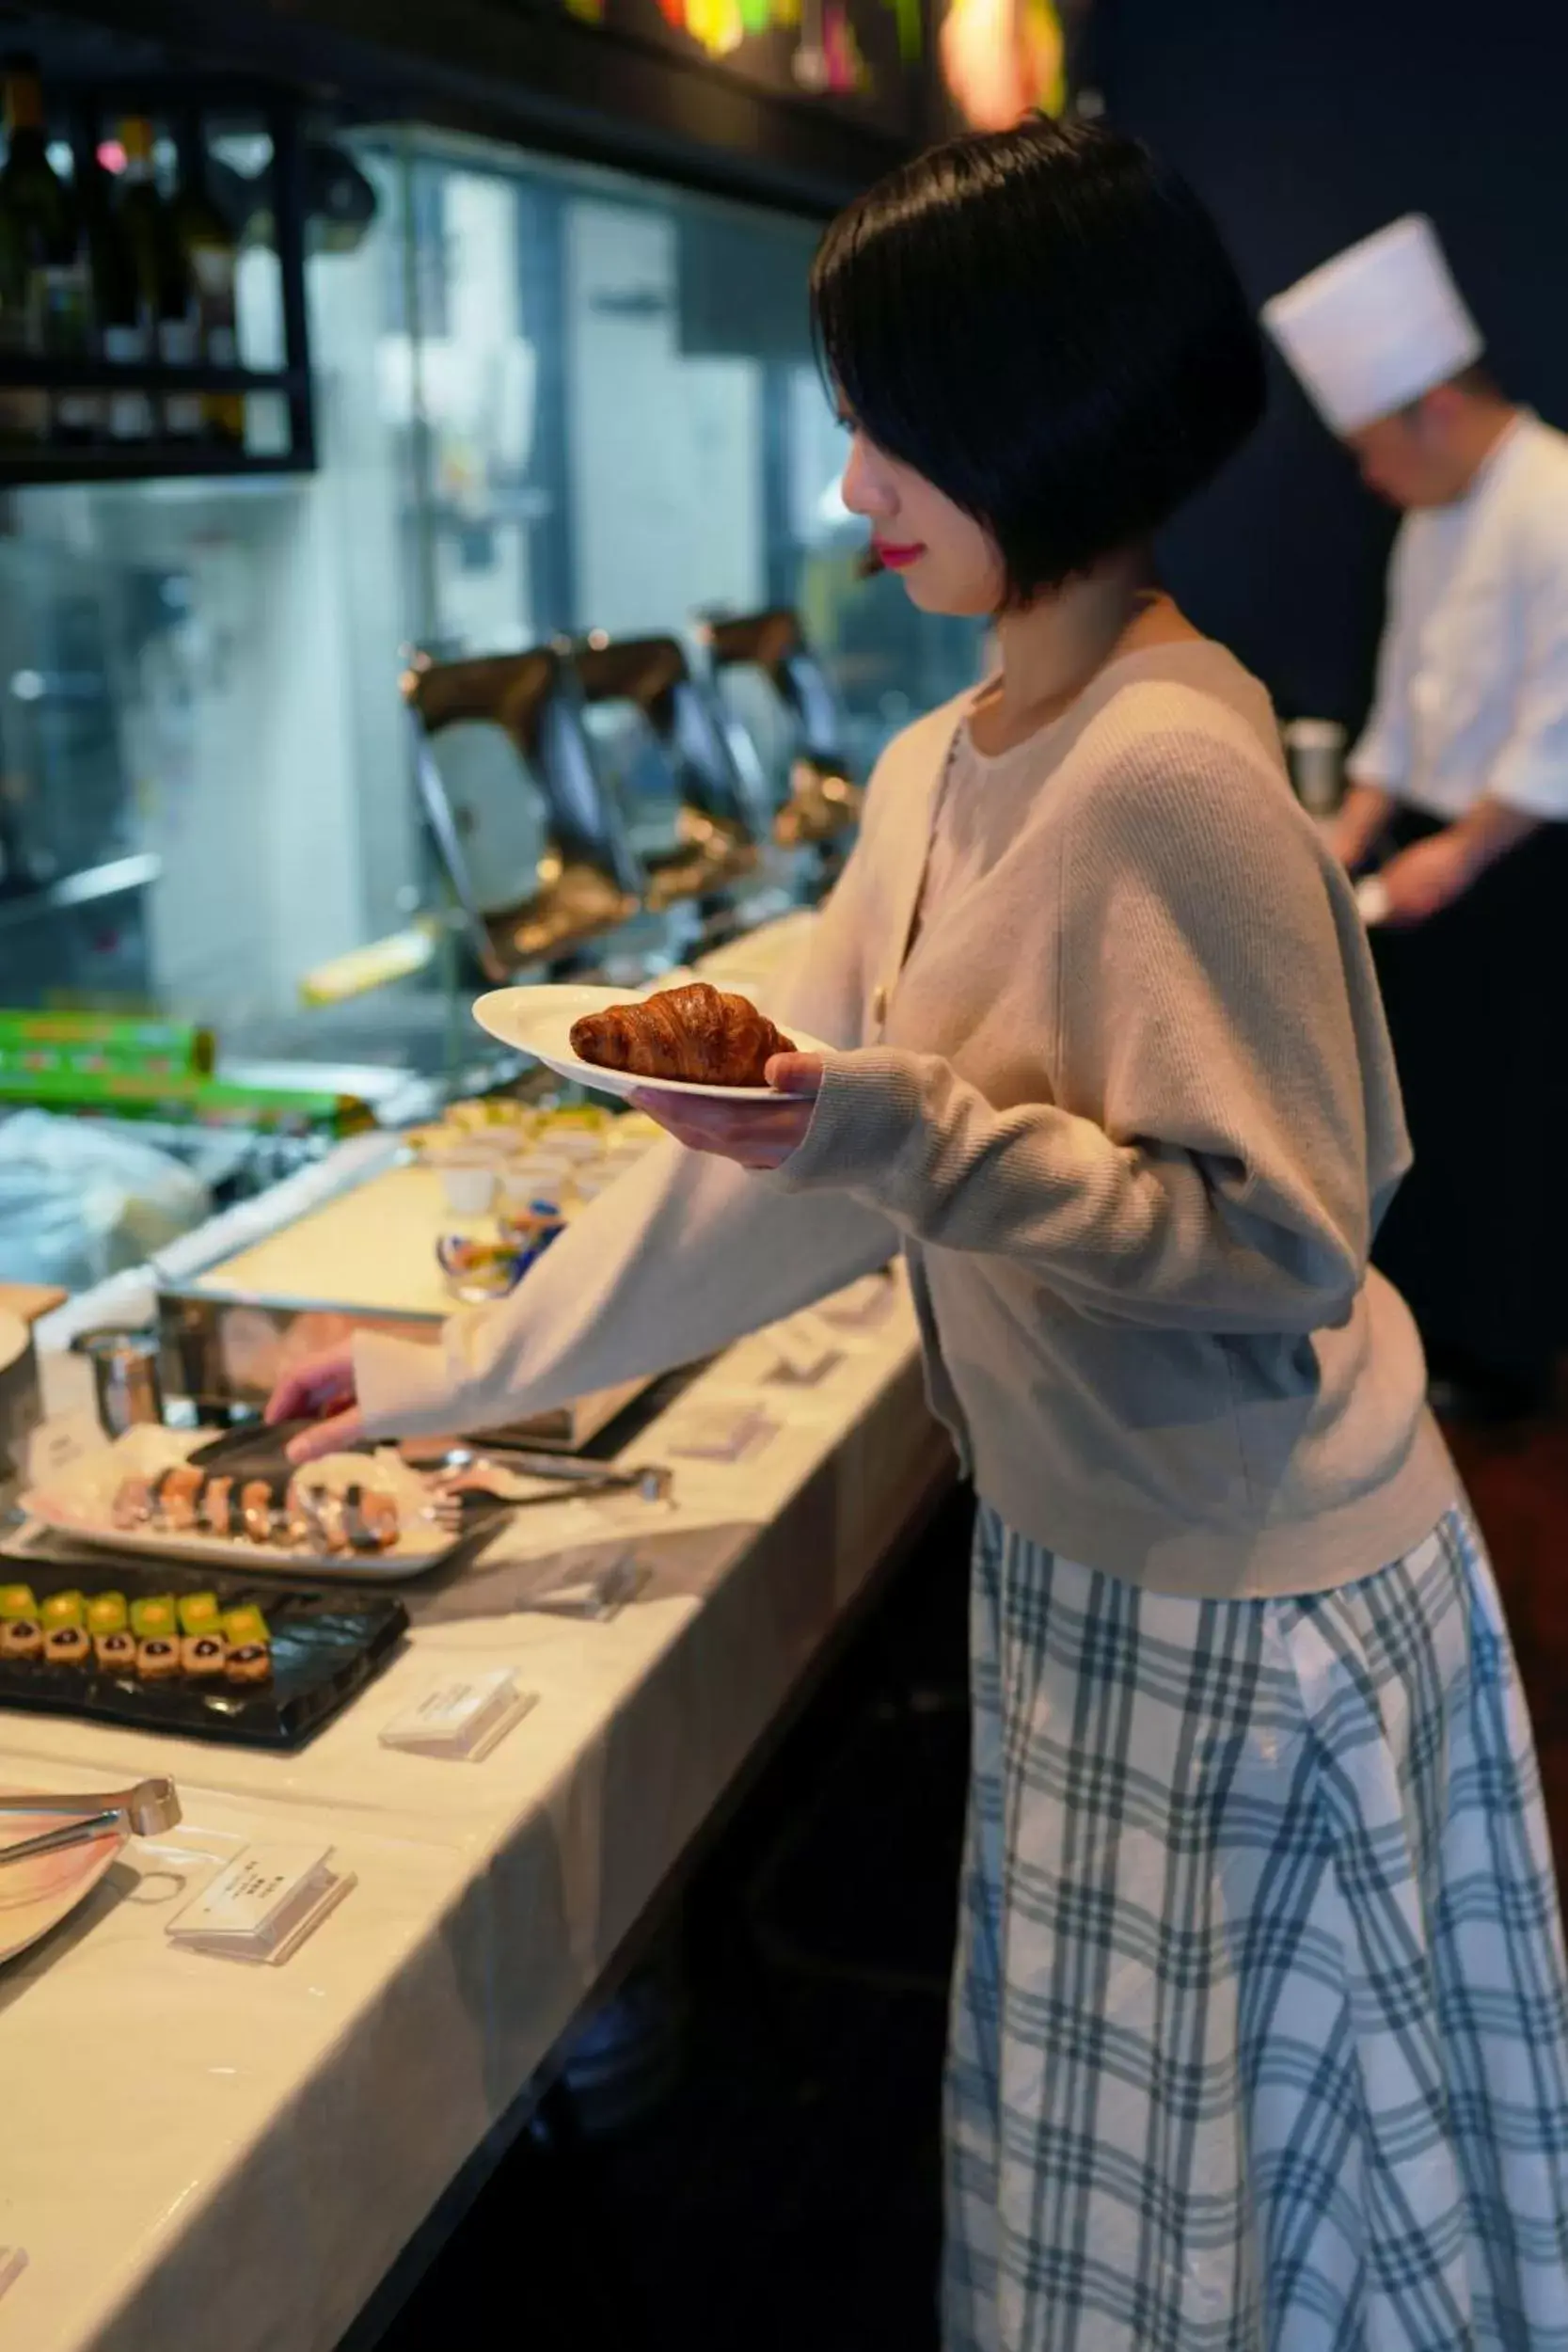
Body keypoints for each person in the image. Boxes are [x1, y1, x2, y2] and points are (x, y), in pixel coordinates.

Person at [272, 122, 1568, 2351]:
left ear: (1032, 410)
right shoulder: (944, 758)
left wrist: (889, 1135)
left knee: (1269, 2248)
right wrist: (433, 1378)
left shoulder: (1168, 766)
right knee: (1126, 2228)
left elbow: (1287, 1245)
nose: (849, 487)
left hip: (1243, 1607)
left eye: (884, 426)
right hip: (1094, 1571)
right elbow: (790, 1154)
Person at [1265, 216, 1568, 1422]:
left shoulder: (1551, 497)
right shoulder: (1435, 512)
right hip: (1443, 847)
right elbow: (1402, 698)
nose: (1364, 475)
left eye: (1369, 446)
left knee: (1513, 1115)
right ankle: (1419, 1335)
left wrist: (1464, 847)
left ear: (1433, 408)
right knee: (1426, 1098)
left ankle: (1499, 1369)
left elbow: (1559, 714)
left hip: (1529, 854)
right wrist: (1354, 827)